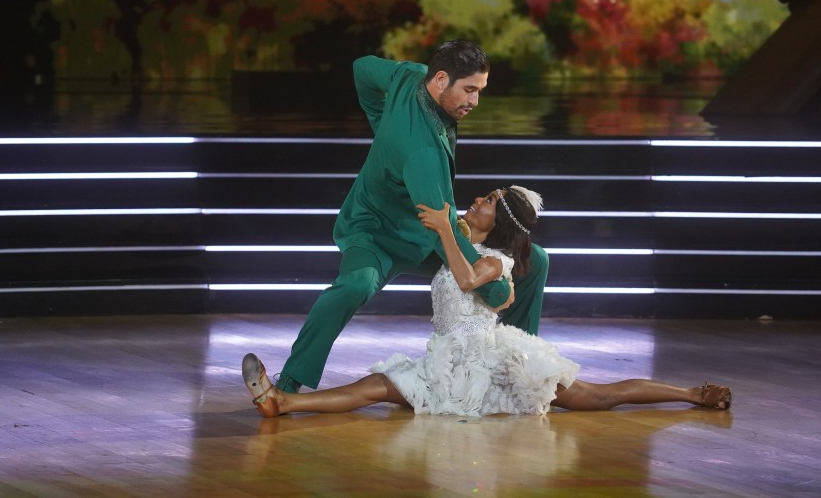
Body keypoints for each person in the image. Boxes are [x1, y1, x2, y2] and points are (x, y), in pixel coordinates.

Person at [242, 186, 732, 417]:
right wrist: (443, 229)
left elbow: (467, 278)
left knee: (598, 397)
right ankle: (282, 401)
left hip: (496, 363)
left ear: (497, 224)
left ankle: (692, 394)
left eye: (489, 202)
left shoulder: (496, 260)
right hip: (449, 358)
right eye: (486, 196)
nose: (478, 198)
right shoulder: (459, 240)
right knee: (378, 387)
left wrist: (446, 230)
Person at [272, 40, 550, 394]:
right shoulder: (422, 153)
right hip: (376, 234)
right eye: (469, 90)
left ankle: (518, 367)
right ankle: (291, 381)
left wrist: (382, 125)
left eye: (479, 90)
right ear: (441, 79)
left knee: (532, 260)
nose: (475, 101)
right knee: (354, 285)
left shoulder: (410, 76)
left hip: (421, 237)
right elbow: (443, 232)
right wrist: (495, 289)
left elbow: (361, 67)